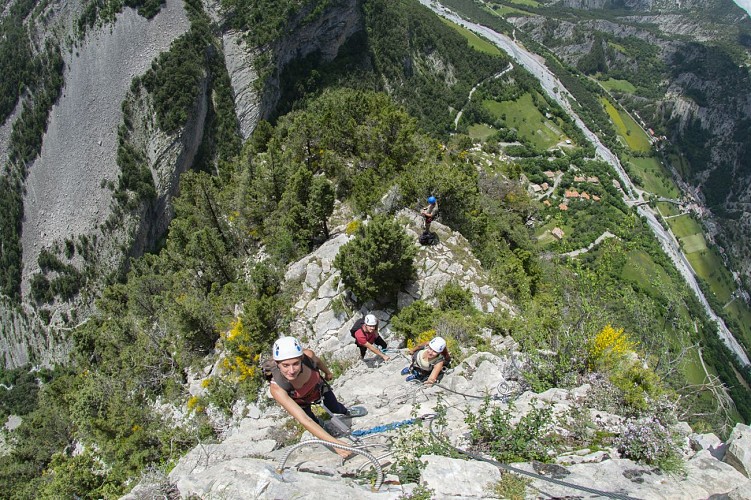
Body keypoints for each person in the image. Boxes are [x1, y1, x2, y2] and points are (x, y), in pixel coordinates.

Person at [267, 336, 362, 458]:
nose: (291, 370)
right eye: (285, 365)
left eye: (296, 364)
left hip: (319, 390)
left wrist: (327, 372)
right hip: (301, 402)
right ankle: (323, 430)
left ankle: (346, 411)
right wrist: (336, 444)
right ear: (277, 363)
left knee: (336, 408)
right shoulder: (277, 388)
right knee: (313, 422)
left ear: (301, 359)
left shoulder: (308, 357)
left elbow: (318, 362)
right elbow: (304, 420)